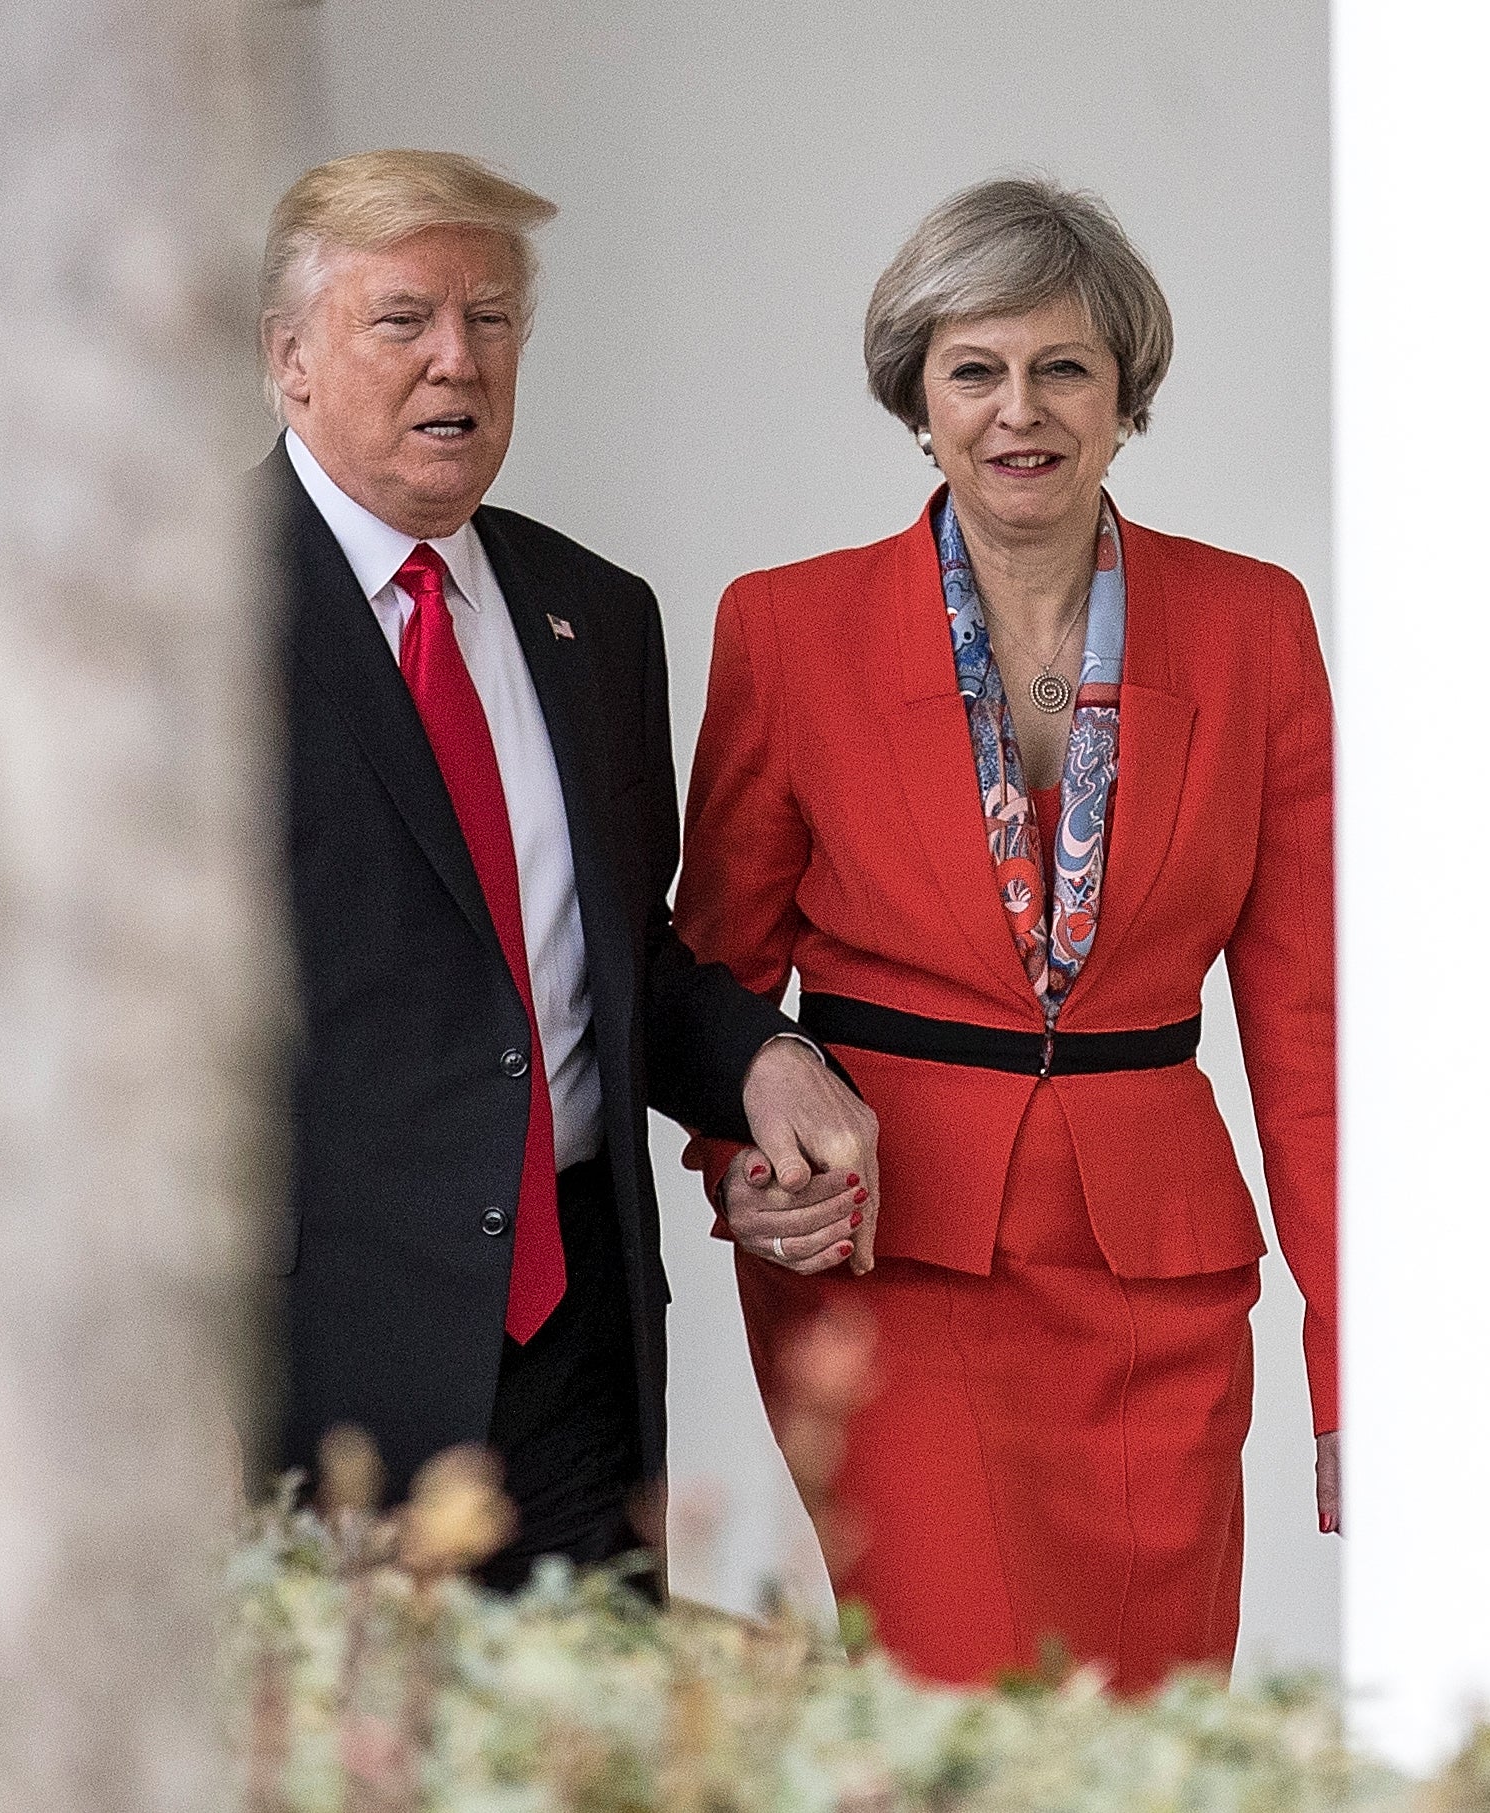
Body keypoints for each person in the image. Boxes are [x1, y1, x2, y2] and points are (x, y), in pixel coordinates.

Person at [678, 176, 1340, 1690]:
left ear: (1125, 395)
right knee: (955, 1714)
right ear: (919, 394)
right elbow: (705, 976)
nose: (1018, 410)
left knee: (1150, 1735)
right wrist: (740, 1168)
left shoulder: (1254, 626)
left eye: (1064, 368)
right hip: (895, 1266)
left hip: (1161, 1288)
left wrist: (1344, 1350)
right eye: (975, 368)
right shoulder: (786, 629)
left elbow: (1309, 1034)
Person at [257, 150, 877, 1590]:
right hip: (318, 1376)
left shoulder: (591, 614)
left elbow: (617, 951)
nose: (455, 360)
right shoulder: (187, 608)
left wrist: (766, 1057)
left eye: (490, 320)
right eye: (402, 319)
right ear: (289, 360)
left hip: (578, 1350)